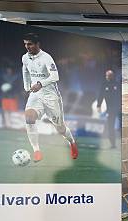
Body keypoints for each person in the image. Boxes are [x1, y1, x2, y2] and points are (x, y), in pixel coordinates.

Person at [21, 33, 78, 162]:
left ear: (37, 44)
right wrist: (26, 86)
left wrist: (40, 84)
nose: (27, 46)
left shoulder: (46, 58)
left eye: (29, 44)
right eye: (25, 44)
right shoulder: (25, 58)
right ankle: (36, 150)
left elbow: (55, 77)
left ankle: (72, 142)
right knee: (29, 117)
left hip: (51, 96)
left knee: (60, 128)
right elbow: (25, 70)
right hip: (35, 95)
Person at [97, 69, 121, 148]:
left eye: (109, 75)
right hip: (110, 109)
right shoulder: (104, 85)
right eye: (107, 75)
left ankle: (123, 142)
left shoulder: (117, 84)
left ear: (112, 76)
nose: (108, 77)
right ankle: (113, 144)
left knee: (121, 126)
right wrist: (98, 105)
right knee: (111, 126)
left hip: (119, 109)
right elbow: (101, 95)